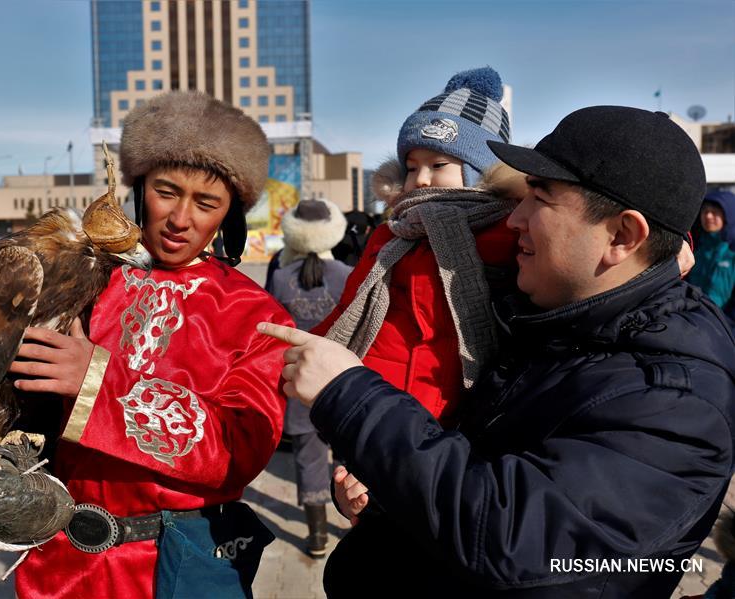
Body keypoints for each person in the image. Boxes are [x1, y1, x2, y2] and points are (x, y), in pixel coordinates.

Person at [260, 106, 735, 597]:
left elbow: (515, 537)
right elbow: (475, 458)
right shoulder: (553, 319)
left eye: (540, 199)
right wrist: (386, 491)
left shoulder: (674, 397)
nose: (514, 219)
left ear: (622, 235)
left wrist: (353, 399)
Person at [9, 91, 293, 599]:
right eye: (166, 192)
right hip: (61, 565)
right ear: (139, 189)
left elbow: (242, 449)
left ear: (229, 214)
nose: (180, 218)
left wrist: (99, 385)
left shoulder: (257, 316)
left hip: (172, 565)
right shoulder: (87, 284)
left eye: (206, 203)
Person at [313, 66, 520, 426]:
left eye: (438, 164)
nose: (420, 179)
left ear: (480, 171)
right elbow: (349, 308)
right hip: (375, 398)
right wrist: (307, 347)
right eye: (410, 167)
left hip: (463, 412)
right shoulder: (392, 233)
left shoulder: (512, 232)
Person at [267, 199, 351, 558]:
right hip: (345, 380)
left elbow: (270, 332)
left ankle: (317, 535)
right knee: (351, 457)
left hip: (298, 380)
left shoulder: (281, 277)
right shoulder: (348, 273)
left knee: (309, 457)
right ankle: (355, 527)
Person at [689, 190, 735, 311]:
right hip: (692, 318)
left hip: (723, 324)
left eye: (715, 212)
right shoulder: (694, 247)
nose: (708, 216)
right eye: (705, 211)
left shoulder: (732, 252)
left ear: (728, 215)